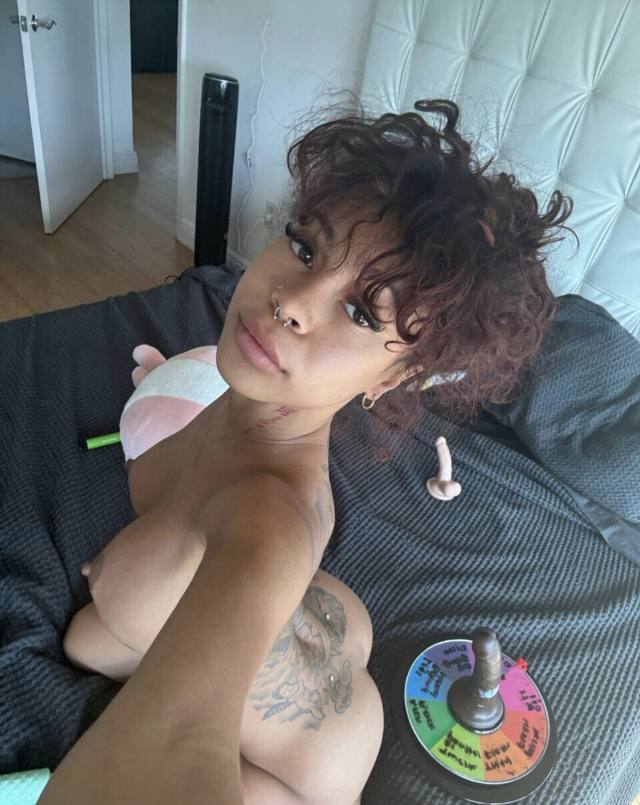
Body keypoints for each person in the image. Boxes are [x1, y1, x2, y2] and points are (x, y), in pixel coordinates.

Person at [39, 98, 574, 805]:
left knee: (87, 641)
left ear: (391, 379)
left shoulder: (265, 520)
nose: (289, 302)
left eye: (360, 312)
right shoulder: (241, 400)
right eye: (304, 248)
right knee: (90, 639)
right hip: (326, 633)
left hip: (309, 771)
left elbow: (176, 745)